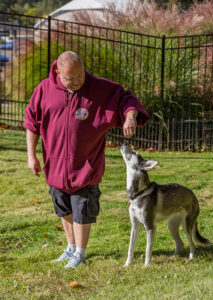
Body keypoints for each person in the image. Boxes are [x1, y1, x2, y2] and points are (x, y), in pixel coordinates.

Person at [24, 51, 149, 269]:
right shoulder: (44, 89)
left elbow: (125, 98)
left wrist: (130, 116)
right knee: (63, 206)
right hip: (55, 165)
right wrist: (31, 155)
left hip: (86, 166)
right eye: (71, 79)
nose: (78, 82)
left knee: (82, 206)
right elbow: (32, 123)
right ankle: (71, 248)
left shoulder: (98, 88)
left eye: (80, 75)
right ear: (58, 73)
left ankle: (80, 254)